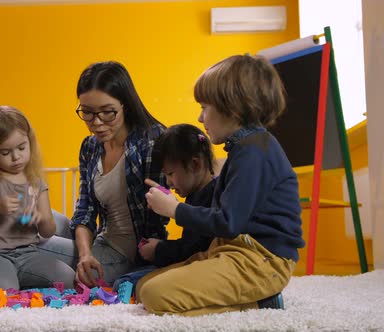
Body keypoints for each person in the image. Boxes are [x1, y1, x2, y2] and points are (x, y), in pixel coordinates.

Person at [137, 54, 305, 316]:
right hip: (233, 250)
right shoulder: (245, 149)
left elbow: (228, 222)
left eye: (205, 107)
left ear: (232, 108)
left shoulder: (255, 151)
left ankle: (260, 304)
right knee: (145, 285)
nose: (201, 118)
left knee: (154, 295)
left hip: (261, 261)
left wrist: (174, 210)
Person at [69, 61, 169, 287]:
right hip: (101, 240)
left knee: (39, 256)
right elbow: (85, 209)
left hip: (129, 253)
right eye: (87, 113)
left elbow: (157, 219)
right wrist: (85, 254)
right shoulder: (90, 147)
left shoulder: (152, 140)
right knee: (39, 230)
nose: (96, 123)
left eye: (107, 112)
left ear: (126, 105)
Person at [0, 106, 75, 291]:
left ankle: (18, 285)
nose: (16, 157)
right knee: (4, 290)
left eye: (22, 148)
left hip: (28, 253)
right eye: (5, 152)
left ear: (30, 142)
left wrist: (42, 219)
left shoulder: (35, 183)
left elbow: (48, 231)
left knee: (68, 279)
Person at [112, 124, 217, 290]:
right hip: (189, 265)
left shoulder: (212, 194)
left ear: (195, 165)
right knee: (127, 279)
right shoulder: (194, 194)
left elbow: (196, 250)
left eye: (170, 174)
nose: (168, 182)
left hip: (201, 269)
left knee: (126, 283)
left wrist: (159, 249)